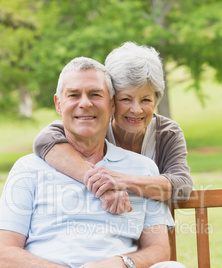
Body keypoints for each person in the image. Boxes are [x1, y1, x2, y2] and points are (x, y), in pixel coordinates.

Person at [0, 57, 201, 268]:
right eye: (73, 94)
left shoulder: (142, 169)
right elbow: (5, 254)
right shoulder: (29, 170)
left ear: (109, 104)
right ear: (58, 103)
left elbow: (159, 251)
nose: (84, 103)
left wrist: (118, 265)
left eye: (95, 94)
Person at [33, 42, 193, 215]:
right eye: (126, 99)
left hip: (149, 229)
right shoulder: (96, 127)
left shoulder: (167, 133)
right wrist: (101, 183)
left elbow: (182, 185)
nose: (136, 109)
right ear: (111, 100)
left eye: (146, 100)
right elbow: (45, 140)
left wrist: (122, 180)